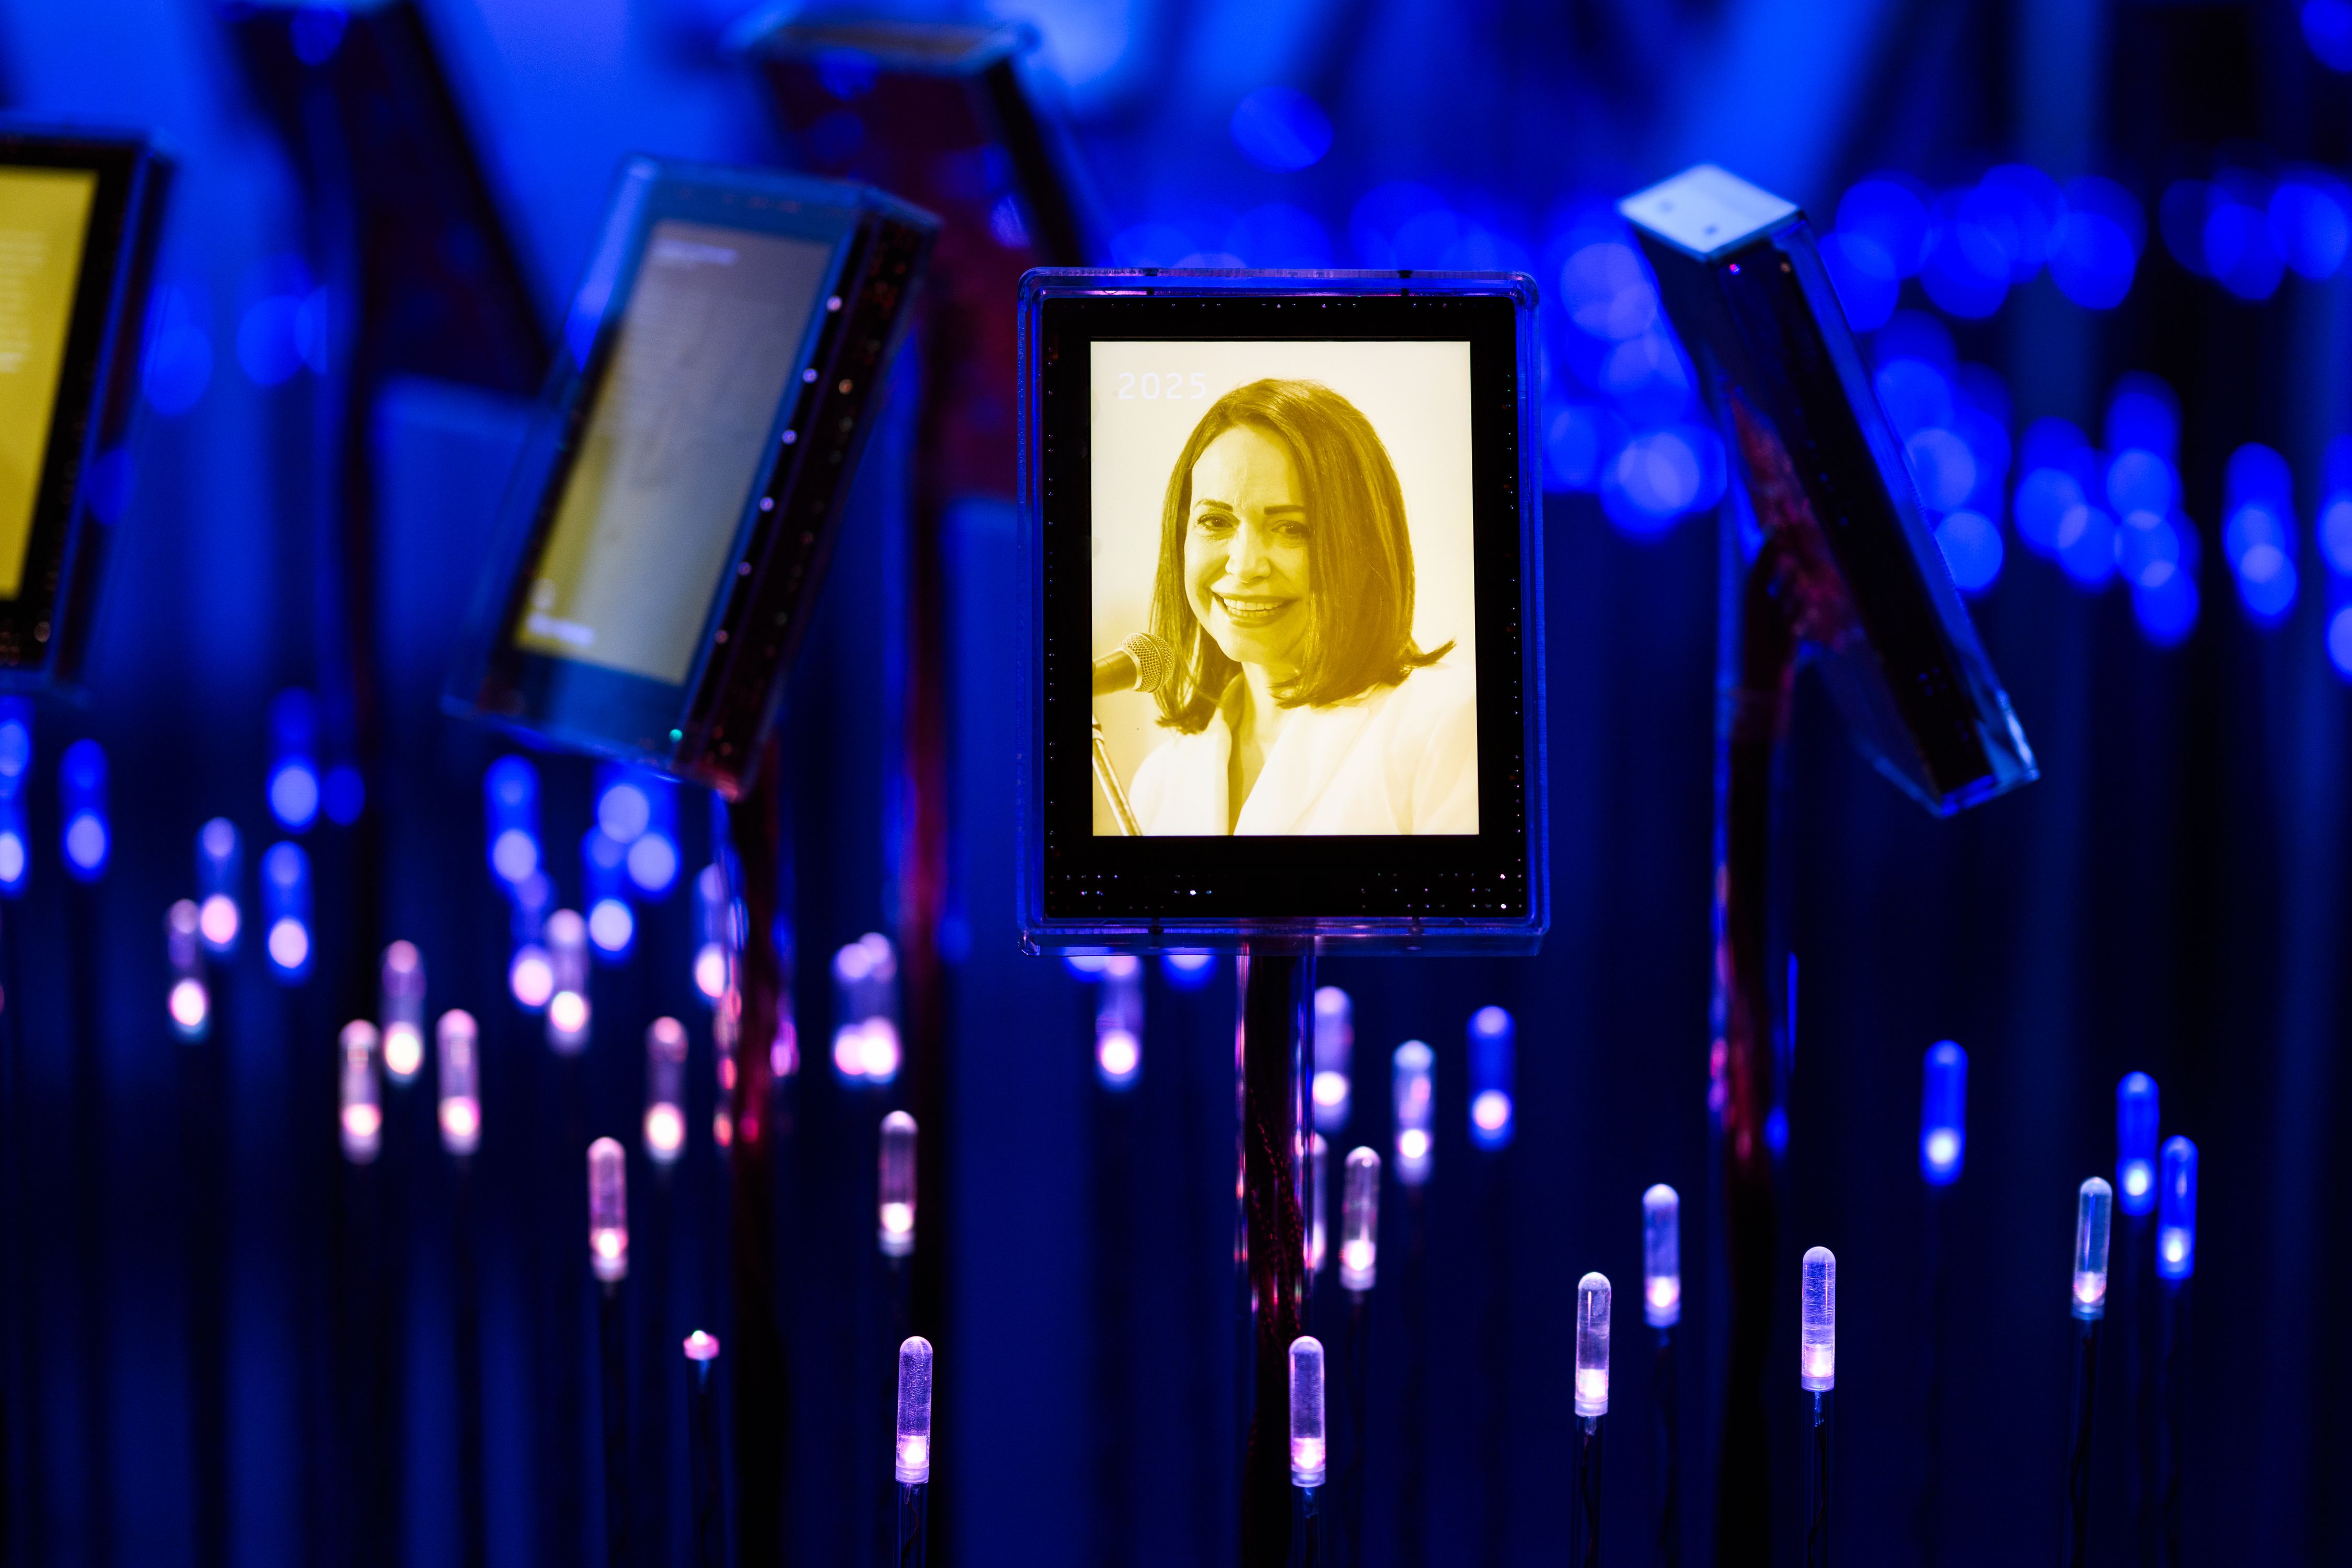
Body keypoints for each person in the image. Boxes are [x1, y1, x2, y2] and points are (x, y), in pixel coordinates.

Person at [1123, 377, 1477, 835]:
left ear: (1362, 545)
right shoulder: (1158, 782)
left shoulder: (1447, 723)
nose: (1245, 565)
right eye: (1215, 521)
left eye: (1292, 529)